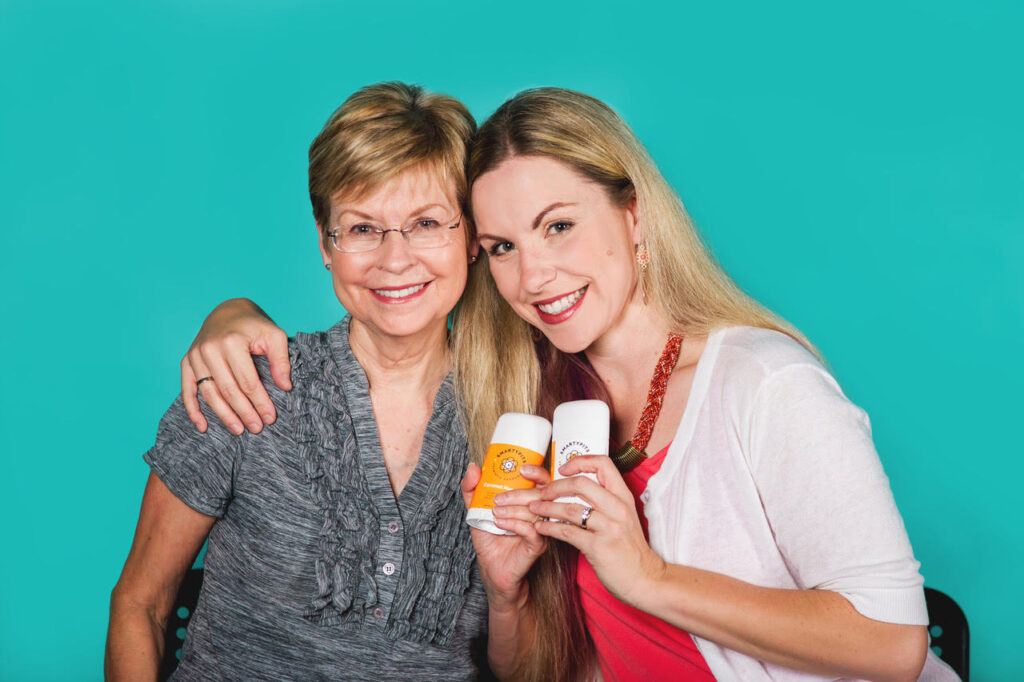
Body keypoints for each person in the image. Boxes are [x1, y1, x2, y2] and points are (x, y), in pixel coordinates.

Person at [177, 89, 957, 681]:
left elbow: (893, 642)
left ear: (635, 217)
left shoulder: (764, 383)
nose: (536, 274)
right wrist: (510, 594)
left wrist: (647, 577)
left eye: (560, 226)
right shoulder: (533, 401)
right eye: (504, 244)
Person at [106, 82, 493, 680]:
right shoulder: (244, 387)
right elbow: (141, 604)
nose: (395, 259)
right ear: (324, 245)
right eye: (362, 229)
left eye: (425, 222)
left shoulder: (520, 415)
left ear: (470, 238)